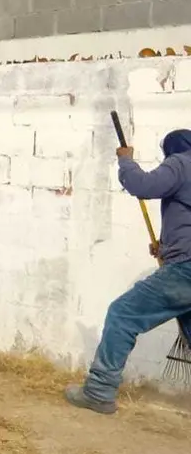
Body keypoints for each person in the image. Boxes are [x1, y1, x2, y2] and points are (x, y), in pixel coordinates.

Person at [65, 130, 191, 414]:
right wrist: (168, 248)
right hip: (184, 262)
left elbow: (141, 185)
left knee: (123, 314)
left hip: (186, 270)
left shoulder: (181, 163)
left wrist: (126, 161)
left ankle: (98, 390)